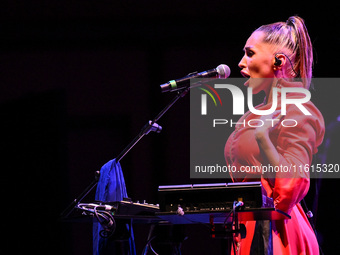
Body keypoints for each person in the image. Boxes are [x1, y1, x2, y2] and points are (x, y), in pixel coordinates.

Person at [224, 16, 325, 254]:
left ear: (278, 61)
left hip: (278, 233)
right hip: (248, 229)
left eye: (250, 53)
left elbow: (291, 187)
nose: (241, 62)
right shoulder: (253, 115)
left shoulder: (299, 109)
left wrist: (263, 139)